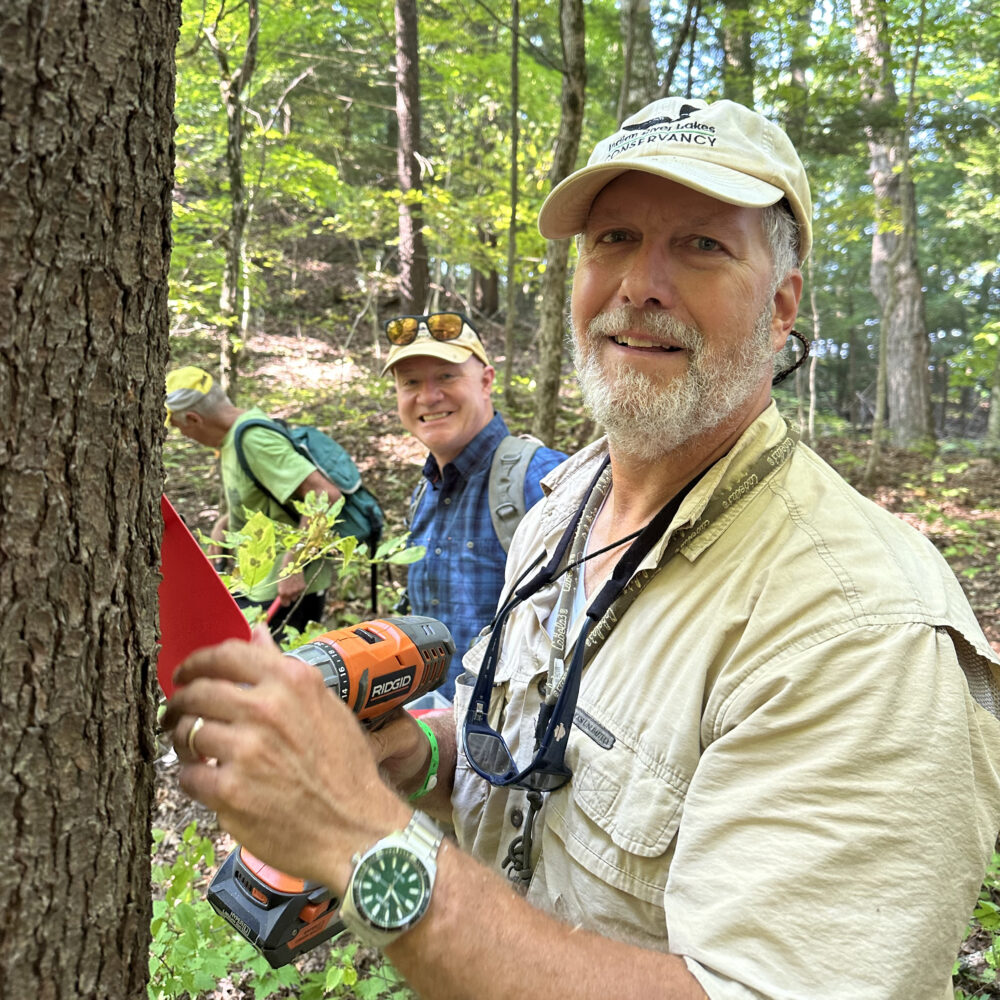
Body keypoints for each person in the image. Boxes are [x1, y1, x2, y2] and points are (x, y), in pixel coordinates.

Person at [164, 98, 1000, 999]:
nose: (641, 283)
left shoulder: (861, 631)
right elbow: (530, 748)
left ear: (783, 305)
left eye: (703, 246)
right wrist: (419, 758)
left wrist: (359, 839)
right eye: (614, 238)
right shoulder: (567, 503)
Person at [381, 312, 565, 700]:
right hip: (432, 737)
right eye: (410, 382)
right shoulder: (424, 493)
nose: (428, 396)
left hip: (513, 745)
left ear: (486, 381)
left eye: (447, 376)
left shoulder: (543, 481)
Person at [165, 366, 343, 636]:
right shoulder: (231, 440)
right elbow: (260, 497)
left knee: (276, 676)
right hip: (258, 583)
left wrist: (294, 564)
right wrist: (225, 522)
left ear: (193, 419)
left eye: (179, 428)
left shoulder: (254, 440)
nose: (184, 436)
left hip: (283, 590)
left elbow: (325, 495)